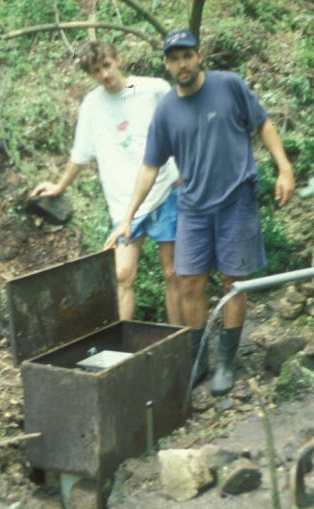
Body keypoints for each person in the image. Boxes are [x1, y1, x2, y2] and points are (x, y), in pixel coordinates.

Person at [104, 29, 295, 395]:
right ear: (167, 64)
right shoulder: (166, 111)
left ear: (199, 55)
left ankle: (226, 361)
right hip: (193, 208)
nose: (182, 64)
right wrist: (128, 215)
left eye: (187, 55)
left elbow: (263, 123)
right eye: (174, 58)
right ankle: (198, 360)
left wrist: (284, 168)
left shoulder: (229, 86)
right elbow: (149, 167)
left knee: (231, 282)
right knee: (188, 281)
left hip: (236, 201)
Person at [31, 41, 182, 323]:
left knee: (172, 273)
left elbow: (181, 129)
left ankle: (178, 344)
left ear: (118, 60)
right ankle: (122, 349)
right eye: (96, 71)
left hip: (165, 190)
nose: (104, 75)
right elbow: (80, 153)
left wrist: (184, 169)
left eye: (107, 66)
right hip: (124, 202)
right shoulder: (92, 105)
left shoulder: (153, 89)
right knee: (121, 273)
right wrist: (60, 186)